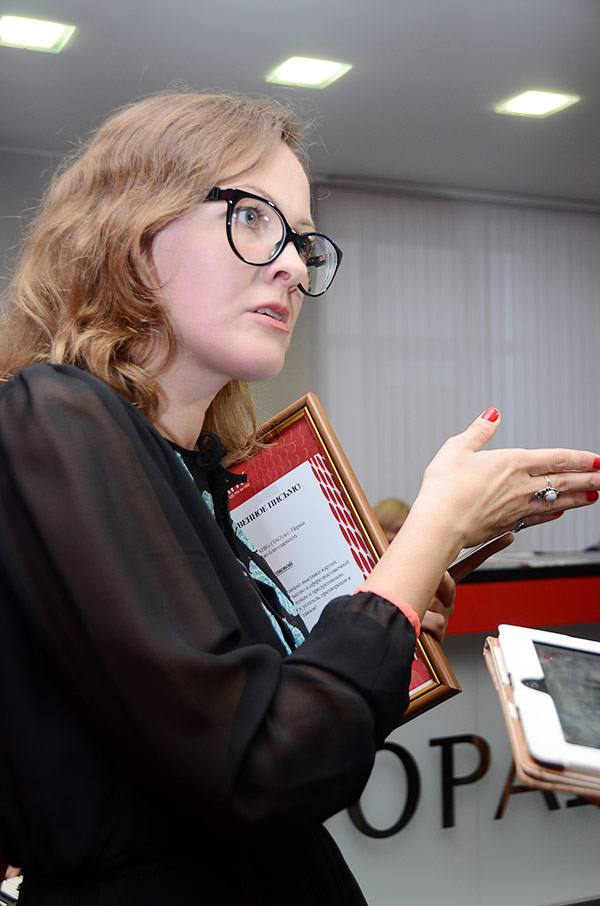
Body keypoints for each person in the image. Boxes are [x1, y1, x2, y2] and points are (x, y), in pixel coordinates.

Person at [0, 91, 599, 906]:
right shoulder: (54, 413)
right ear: (131, 232)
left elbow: (284, 732)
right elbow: (263, 765)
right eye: (254, 218)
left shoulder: (201, 471)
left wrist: (392, 603)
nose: (293, 264)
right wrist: (431, 528)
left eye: (303, 241)